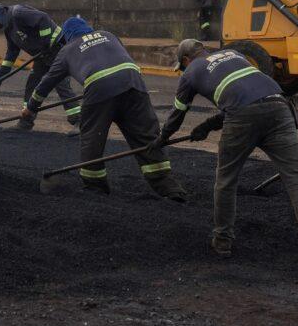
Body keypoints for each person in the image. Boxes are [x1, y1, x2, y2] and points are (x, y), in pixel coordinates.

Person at [151, 39, 298, 259]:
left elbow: (178, 113)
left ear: (186, 60)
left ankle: (223, 240)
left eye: (183, 66)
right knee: (295, 173)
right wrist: (207, 126)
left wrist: (163, 137)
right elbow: (247, 95)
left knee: (226, 180)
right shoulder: (235, 55)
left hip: (242, 115)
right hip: (279, 107)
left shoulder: (191, 71)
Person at [21, 17, 186, 201]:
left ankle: (95, 188)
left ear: (67, 36)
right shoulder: (109, 35)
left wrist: (31, 108)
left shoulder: (67, 51)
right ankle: (169, 189)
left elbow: (47, 82)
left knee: (92, 137)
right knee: (146, 136)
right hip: (133, 83)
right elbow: (115, 60)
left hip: (100, 90)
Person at [0, 2, 81, 132]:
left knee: (60, 83)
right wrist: (1, 73)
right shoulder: (9, 28)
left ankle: (79, 120)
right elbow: (12, 51)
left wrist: (46, 42)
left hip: (56, 49)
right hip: (42, 55)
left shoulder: (18, 13)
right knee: (32, 84)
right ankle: (26, 120)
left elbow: (43, 18)